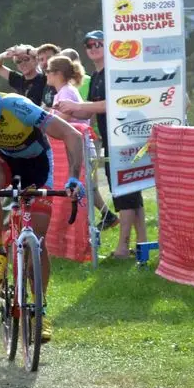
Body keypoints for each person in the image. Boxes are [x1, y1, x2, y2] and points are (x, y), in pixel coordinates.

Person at [0, 62, 86, 343]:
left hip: (37, 165)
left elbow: (73, 135)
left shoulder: (17, 106)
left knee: (38, 240)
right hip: (2, 159)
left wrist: (74, 178)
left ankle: (40, 309)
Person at [57, 31, 136, 252]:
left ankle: (124, 246)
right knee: (122, 192)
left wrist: (77, 107)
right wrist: (59, 116)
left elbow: (112, 104)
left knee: (126, 193)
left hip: (124, 136)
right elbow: (88, 113)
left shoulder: (112, 72)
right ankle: (138, 245)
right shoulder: (97, 75)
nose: (93, 47)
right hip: (108, 137)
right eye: (88, 45)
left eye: (98, 43)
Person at [46, 55, 89, 126]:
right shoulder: (66, 90)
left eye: (48, 71)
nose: (46, 74)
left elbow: (64, 119)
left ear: (58, 73)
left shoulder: (66, 92)